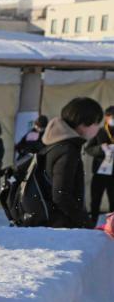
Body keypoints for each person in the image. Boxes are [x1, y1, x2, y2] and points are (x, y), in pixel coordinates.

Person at [42, 97, 103, 228]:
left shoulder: (56, 144)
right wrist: (87, 224)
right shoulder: (68, 150)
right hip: (61, 226)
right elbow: (61, 196)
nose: (98, 128)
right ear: (83, 124)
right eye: (97, 123)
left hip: (54, 223)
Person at [83, 105, 114, 222]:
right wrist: (101, 149)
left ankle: (111, 224)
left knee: (113, 201)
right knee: (95, 199)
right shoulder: (99, 132)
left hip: (113, 174)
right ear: (106, 117)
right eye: (112, 117)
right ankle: (93, 221)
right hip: (100, 171)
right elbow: (88, 149)